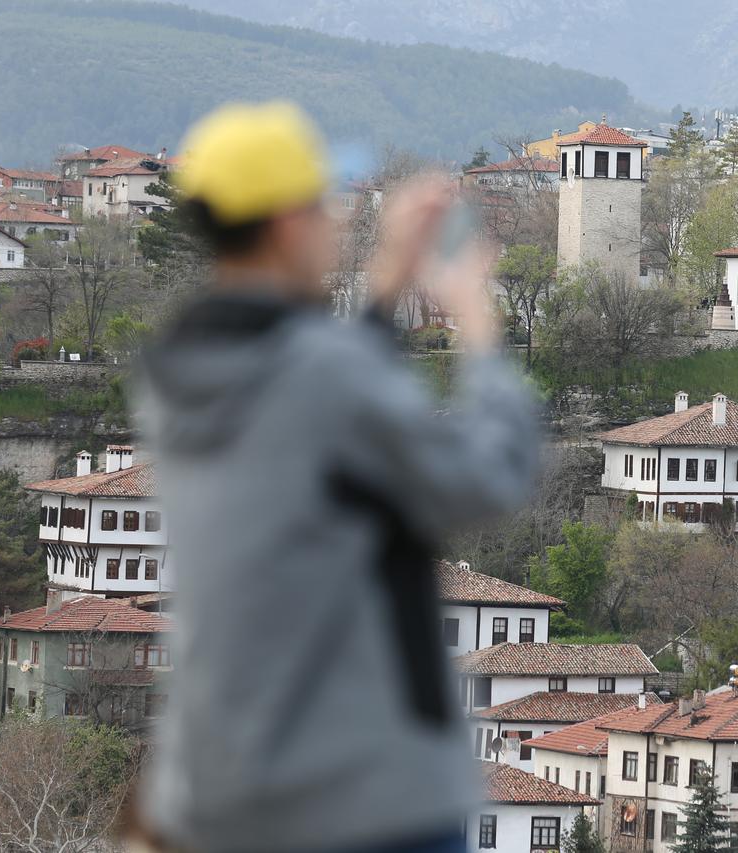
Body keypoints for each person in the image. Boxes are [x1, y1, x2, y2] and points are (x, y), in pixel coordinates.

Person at [135, 102, 538, 852]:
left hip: (223, 794)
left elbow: (313, 405)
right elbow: (492, 474)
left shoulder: (177, 374)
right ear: (290, 220)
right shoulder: (323, 376)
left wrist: (385, 290)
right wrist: (480, 335)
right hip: (363, 793)